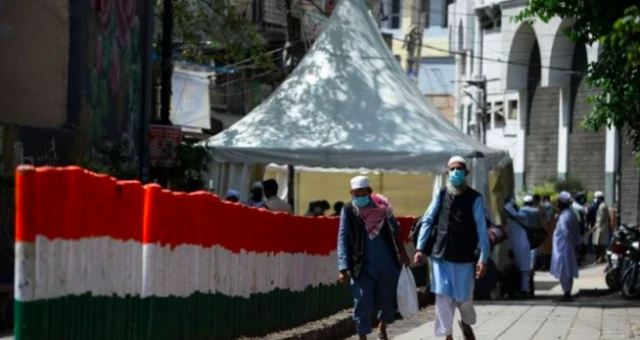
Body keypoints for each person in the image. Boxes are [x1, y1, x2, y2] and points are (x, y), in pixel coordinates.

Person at [414, 156, 490, 340]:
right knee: (442, 299)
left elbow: (482, 229)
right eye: (453, 169)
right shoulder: (441, 194)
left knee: (464, 299)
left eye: (460, 169)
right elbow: (428, 220)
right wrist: (420, 248)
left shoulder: (475, 198)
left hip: (464, 257)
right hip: (440, 256)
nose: (456, 172)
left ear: (466, 173)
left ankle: (465, 322)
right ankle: (447, 335)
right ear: (447, 172)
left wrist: (483, 258)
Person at [337, 175, 410, 340]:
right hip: (361, 264)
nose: (359, 197)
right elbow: (342, 238)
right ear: (351, 193)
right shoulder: (348, 211)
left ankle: (382, 326)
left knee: (387, 301)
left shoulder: (383, 207)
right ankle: (362, 335)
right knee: (361, 301)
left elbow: (396, 230)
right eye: (356, 193)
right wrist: (343, 267)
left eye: (362, 193)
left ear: (369, 192)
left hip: (386, 262)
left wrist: (403, 253)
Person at [504, 195, 539, 298]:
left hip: (522, 246)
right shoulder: (510, 221)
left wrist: (509, 207)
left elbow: (516, 215)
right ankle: (520, 289)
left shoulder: (521, 215)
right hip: (516, 246)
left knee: (524, 270)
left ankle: (525, 290)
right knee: (520, 269)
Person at [550, 191, 581, 302]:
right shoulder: (572, 214)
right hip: (568, 247)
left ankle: (567, 293)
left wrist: (572, 242)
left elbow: (566, 232)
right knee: (568, 271)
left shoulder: (564, 217)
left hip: (563, 248)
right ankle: (567, 292)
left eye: (558, 202)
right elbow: (577, 231)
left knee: (564, 271)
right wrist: (577, 244)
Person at [591, 191, 610, 264]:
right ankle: (601, 257)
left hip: (601, 228)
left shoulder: (602, 207)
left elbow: (600, 219)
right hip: (601, 227)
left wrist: (595, 227)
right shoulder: (603, 205)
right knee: (600, 243)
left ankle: (601, 258)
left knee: (599, 244)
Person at [571, 192, 588, 265]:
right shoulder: (579, 207)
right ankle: (578, 258)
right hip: (579, 228)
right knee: (579, 243)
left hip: (572, 227)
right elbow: (586, 212)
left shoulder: (572, 205)